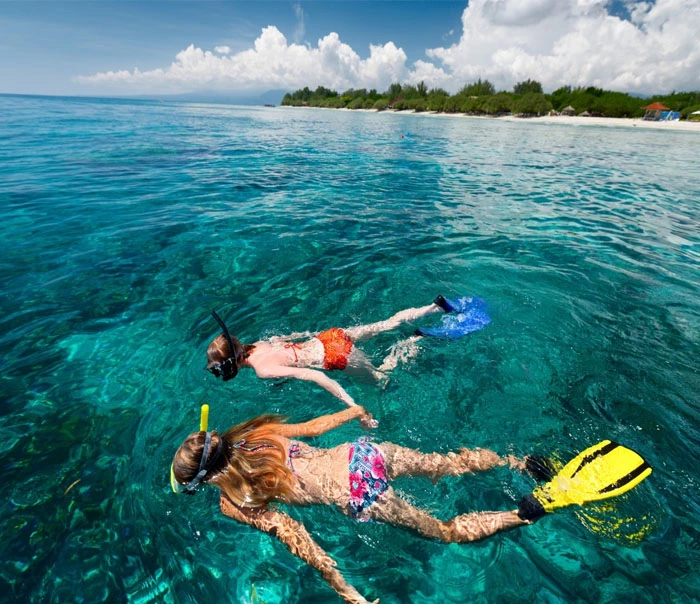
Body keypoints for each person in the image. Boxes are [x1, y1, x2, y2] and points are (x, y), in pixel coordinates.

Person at [170, 405, 547, 604]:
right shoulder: (256, 433)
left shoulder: (231, 502)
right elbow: (316, 428)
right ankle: (516, 461)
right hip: (361, 453)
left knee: (446, 532)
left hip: (358, 491)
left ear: (204, 481)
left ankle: (524, 513)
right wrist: (356, 412)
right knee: (445, 465)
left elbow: (295, 536)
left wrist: (348, 594)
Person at [205, 296, 462, 412]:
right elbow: (293, 338)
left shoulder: (263, 370)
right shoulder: (259, 344)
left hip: (334, 356)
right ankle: (434, 307)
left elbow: (313, 376)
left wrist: (351, 404)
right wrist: (313, 333)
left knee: (382, 379)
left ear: (232, 366)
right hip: (328, 336)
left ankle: (415, 340)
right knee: (385, 324)